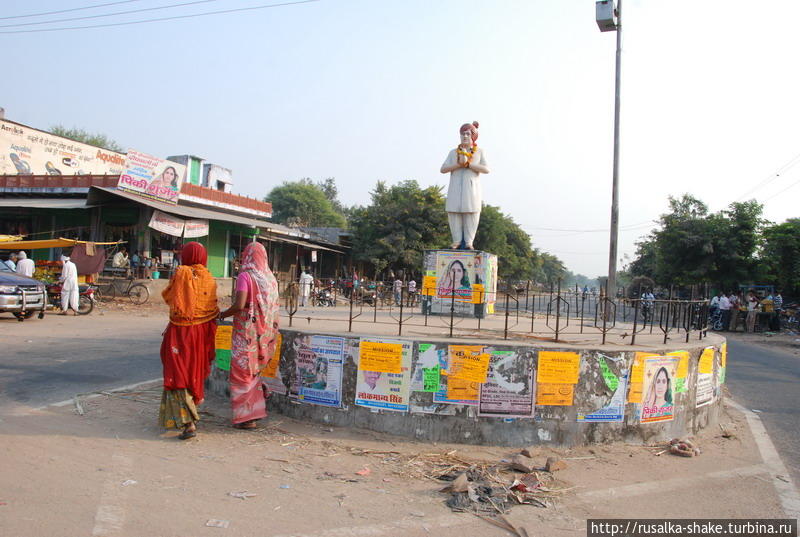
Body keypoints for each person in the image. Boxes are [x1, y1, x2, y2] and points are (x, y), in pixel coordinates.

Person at [159, 242, 219, 440]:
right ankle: (187, 414)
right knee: (193, 371)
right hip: (202, 333)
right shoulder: (209, 278)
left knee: (178, 374)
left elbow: (169, 297)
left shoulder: (181, 272)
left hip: (180, 332)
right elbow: (212, 308)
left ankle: (188, 423)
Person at [218, 242, 280, 430]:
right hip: (265, 335)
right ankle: (255, 413)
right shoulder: (270, 279)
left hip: (246, 333)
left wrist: (221, 315)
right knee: (254, 373)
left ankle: (247, 418)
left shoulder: (245, 276)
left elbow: (240, 305)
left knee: (242, 374)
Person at [440, 121, 490, 250]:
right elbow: (443, 169)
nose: (465, 136)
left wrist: (469, 165)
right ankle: (456, 241)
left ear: (473, 136)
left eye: (468, 134)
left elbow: (486, 169)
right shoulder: (453, 152)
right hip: (455, 188)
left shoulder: (479, 152)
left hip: (471, 189)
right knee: (454, 213)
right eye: (463, 134)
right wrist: (458, 165)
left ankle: (469, 242)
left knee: (471, 213)